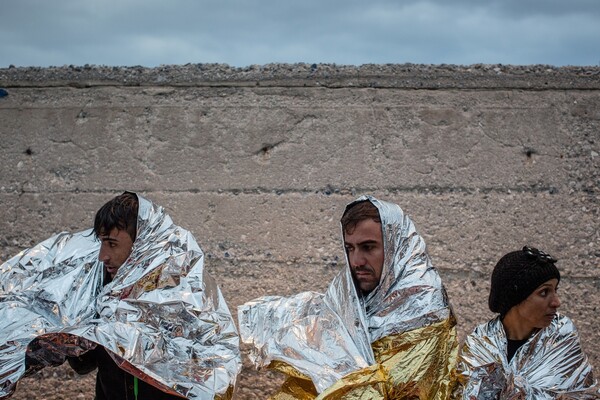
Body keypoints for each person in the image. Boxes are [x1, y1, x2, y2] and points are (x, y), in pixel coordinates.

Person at [0, 192, 241, 400]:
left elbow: (211, 367)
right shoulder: (100, 285)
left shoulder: (186, 295)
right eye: (101, 243)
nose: (102, 256)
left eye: (112, 244)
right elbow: (84, 364)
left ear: (142, 246)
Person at [239, 195, 458, 399]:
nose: (356, 261)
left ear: (396, 248)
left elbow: (402, 386)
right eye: (349, 248)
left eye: (368, 247)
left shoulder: (427, 310)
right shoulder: (352, 293)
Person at [455, 246, 598, 399]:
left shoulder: (561, 338)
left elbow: (583, 394)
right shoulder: (480, 345)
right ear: (516, 298)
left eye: (555, 290)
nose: (557, 302)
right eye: (544, 292)